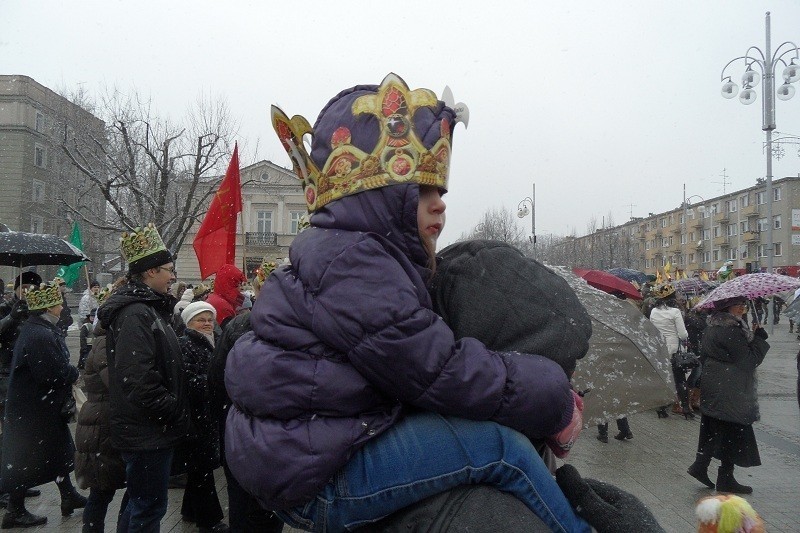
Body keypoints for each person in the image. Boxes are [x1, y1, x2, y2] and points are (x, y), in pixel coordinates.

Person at [225, 73, 589, 532]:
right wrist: (553, 397)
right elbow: (437, 369)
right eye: (422, 190)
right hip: (322, 478)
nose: (440, 205)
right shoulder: (355, 260)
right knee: (505, 450)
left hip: (303, 457)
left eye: (441, 190)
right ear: (379, 196)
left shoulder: (349, 252)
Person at [97, 223, 189, 532]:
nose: (172, 276)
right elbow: (137, 378)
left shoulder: (147, 310)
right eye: (168, 269)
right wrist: (172, 406)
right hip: (147, 432)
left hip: (148, 429)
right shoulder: (137, 313)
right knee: (147, 508)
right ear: (150, 272)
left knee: (139, 504)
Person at [0, 281, 86, 528]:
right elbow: (51, 373)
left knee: (57, 452)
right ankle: (14, 511)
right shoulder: (40, 334)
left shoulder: (37, 328)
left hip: (36, 406)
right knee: (24, 459)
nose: (61, 307)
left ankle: (68, 496)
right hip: (34, 409)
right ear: (50, 308)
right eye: (58, 303)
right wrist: (72, 373)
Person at [208, 260, 283, 533]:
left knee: (241, 501)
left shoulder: (240, 325)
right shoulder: (304, 325)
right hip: (278, 435)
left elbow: (215, 381)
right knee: (270, 505)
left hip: (239, 429)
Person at [687, 296, 769, 494]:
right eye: (738, 305)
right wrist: (759, 339)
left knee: (718, 429)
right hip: (729, 388)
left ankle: (702, 467)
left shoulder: (713, 326)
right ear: (726, 308)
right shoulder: (731, 330)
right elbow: (748, 361)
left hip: (716, 384)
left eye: (743, 304)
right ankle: (723, 478)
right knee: (731, 431)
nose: (742, 308)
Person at [74, 282, 128, 533]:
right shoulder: (105, 342)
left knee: (110, 488)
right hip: (101, 424)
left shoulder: (110, 338)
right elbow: (117, 383)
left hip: (104, 421)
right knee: (102, 490)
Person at [175, 301, 228, 533]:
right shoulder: (186, 345)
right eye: (201, 320)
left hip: (206, 414)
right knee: (202, 469)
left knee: (198, 467)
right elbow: (187, 382)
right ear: (189, 323)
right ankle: (209, 520)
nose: (206, 324)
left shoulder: (210, 342)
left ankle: (189, 510)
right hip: (196, 416)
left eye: (209, 319)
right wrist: (216, 384)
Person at [0, 272, 44, 508]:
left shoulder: (34, 312)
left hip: (27, 380)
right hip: (6, 380)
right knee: (8, 438)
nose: (27, 292)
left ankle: (17, 485)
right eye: (24, 287)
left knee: (23, 437)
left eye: (32, 288)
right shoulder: (6, 307)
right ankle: (5, 488)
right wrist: (11, 318)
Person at [649, 284, 692, 418]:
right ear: (672, 298)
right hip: (673, 351)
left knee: (665, 379)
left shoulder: (654, 311)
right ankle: (685, 408)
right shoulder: (675, 312)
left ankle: (661, 408)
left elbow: (651, 330)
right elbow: (683, 334)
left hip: (659, 349)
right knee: (679, 380)